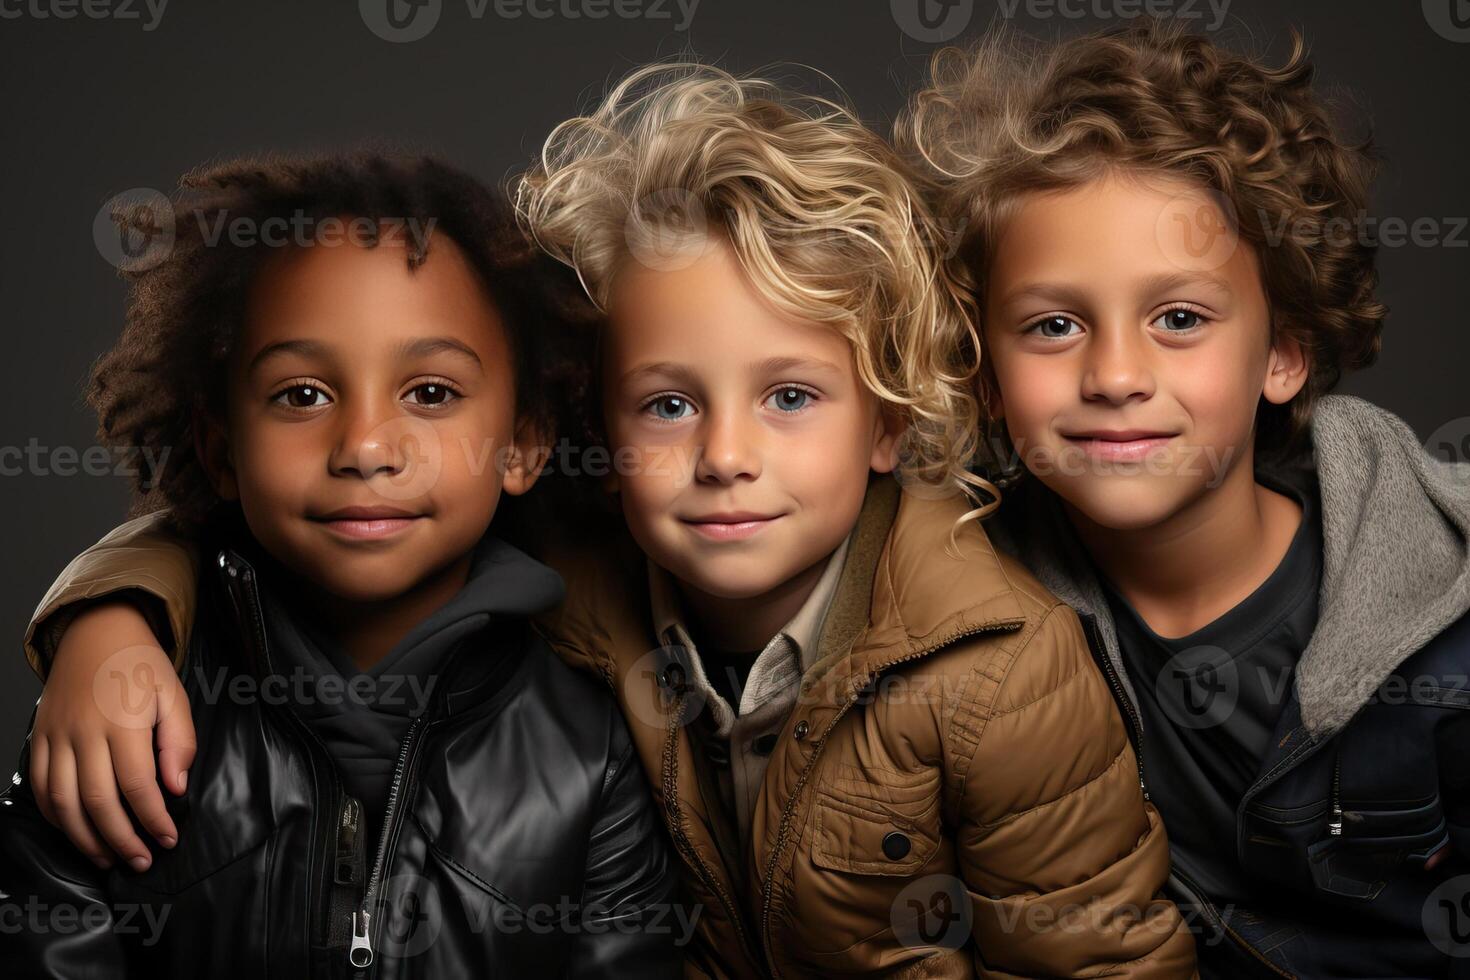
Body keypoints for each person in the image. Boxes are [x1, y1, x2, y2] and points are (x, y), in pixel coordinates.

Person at [7, 66, 1196, 977]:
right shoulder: (573, 566)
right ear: (587, 424)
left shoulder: (998, 666)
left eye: (791, 397)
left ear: (886, 422)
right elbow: (303, 513)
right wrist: (107, 613)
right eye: (669, 403)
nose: (726, 457)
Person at [0, 152, 683, 978]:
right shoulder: (120, 713)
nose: (363, 447)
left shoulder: (590, 752)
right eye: (302, 395)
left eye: (430, 393)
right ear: (222, 451)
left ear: (525, 442)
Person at [899, 19, 1470, 977]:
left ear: (1282, 353)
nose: (1116, 374)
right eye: (1051, 324)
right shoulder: (963, 616)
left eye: (1179, 318)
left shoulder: (1443, 616)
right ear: (986, 375)